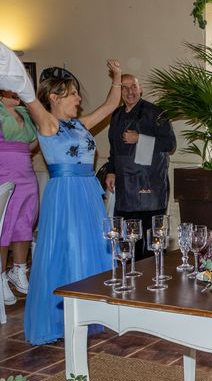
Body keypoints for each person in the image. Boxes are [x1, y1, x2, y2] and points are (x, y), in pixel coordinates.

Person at [0, 47, 122, 345]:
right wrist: (17, 76)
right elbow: (29, 98)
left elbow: (110, 106)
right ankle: (60, 319)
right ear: (54, 97)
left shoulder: (79, 125)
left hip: (88, 195)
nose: (79, 99)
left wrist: (117, 77)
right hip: (65, 196)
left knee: (92, 251)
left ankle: (91, 313)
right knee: (66, 253)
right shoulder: (47, 124)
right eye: (72, 94)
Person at [105, 74, 176, 260]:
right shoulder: (117, 115)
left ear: (141, 88)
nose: (130, 92)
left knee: (152, 238)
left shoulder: (156, 113)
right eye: (125, 88)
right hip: (125, 185)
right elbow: (113, 147)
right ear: (119, 92)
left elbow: (169, 144)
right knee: (128, 236)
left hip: (150, 184)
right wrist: (111, 170)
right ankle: (130, 277)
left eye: (133, 87)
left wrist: (139, 139)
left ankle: (153, 278)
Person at [0, 89, 38, 305]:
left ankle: (19, 270)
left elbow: (33, 142)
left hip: (26, 173)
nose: (16, 93)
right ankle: (0, 276)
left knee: (24, 222)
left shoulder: (25, 112)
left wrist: (21, 151)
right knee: (3, 225)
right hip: (3, 173)